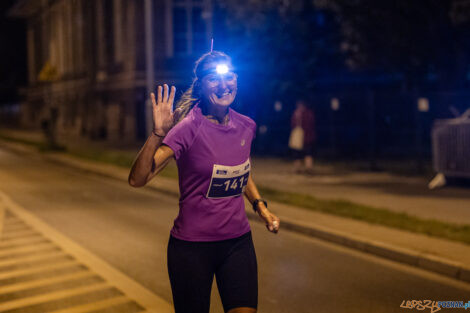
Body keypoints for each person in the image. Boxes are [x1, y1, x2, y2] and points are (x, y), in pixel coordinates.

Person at [128, 51, 280, 313]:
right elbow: (138, 179)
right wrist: (158, 133)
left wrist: (260, 207)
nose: (224, 85)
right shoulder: (188, 127)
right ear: (200, 85)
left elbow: (241, 171)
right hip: (192, 249)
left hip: (237, 243)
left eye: (229, 77)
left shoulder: (247, 126)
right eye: (213, 79)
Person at [289, 98, 315, 173]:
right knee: (297, 151)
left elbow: (310, 124)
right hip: (298, 134)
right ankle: (298, 168)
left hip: (306, 135)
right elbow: (293, 123)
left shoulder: (308, 113)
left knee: (308, 151)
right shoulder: (296, 113)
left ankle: (308, 167)